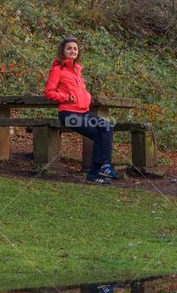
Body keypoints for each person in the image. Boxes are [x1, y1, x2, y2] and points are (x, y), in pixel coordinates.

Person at [43, 37, 120, 184]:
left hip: (83, 112)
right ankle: (103, 166)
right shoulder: (57, 70)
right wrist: (67, 97)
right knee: (102, 133)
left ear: (78, 52)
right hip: (68, 113)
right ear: (63, 51)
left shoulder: (77, 72)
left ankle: (97, 172)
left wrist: (87, 97)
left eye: (75, 48)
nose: (72, 51)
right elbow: (49, 92)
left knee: (106, 130)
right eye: (69, 48)